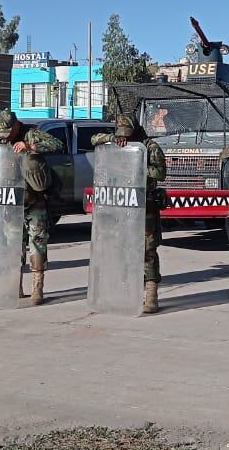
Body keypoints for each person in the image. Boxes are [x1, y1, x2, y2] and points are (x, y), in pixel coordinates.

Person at [0, 109, 64, 305]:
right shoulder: (1, 137)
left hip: (34, 200)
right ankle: (16, 286)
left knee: (37, 242)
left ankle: (37, 287)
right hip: (12, 201)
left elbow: (57, 144)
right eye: (2, 133)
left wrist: (30, 146)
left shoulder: (32, 133)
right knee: (14, 246)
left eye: (8, 132)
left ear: (16, 126)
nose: (5, 137)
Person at [91, 114, 168, 313]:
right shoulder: (117, 143)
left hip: (145, 206)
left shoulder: (149, 147)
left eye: (128, 134)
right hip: (122, 205)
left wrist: (137, 164)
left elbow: (160, 173)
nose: (125, 138)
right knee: (122, 250)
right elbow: (93, 139)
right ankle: (126, 292)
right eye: (121, 134)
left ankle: (151, 295)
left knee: (147, 252)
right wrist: (111, 140)